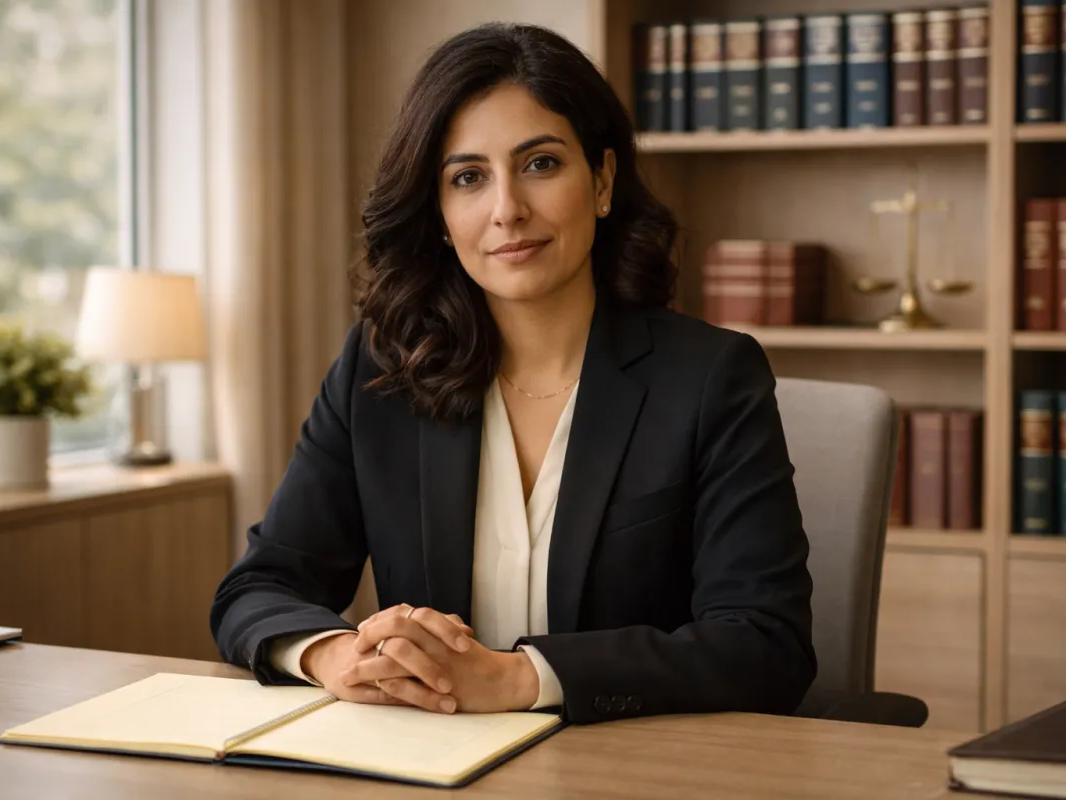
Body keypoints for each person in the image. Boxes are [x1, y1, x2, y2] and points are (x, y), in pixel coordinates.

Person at [210, 22, 816, 726]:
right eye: (468, 178)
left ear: (603, 181)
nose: (507, 211)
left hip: (631, 763)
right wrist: (334, 654)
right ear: (440, 214)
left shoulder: (710, 378)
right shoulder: (379, 374)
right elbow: (258, 589)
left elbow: (766, 645)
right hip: (431, 761)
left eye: (540, 164)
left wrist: (522, 679)